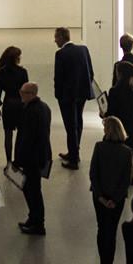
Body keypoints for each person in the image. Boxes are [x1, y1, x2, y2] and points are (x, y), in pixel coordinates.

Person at [89, 117, 133, 264]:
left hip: (98, 198)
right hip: (116, 200)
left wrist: (101, 197)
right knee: (112, 230)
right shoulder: (127, 152)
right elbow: (125, 181)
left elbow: (93, 175)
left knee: (102, 228)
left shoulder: (99, 147)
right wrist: (114, 200)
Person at [53, 26, 94, 170]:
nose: (55, 40)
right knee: (78, 122)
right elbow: (91, 72)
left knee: (70, 126)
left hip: (67, 97)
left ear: (62, 37)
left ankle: (74, 159)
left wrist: (58, 95)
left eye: (56, 37)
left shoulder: (60, 54)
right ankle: (74, 151)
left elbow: (58, 78)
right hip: (82, 93)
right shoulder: (83, 49)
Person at [14, 82, 52, 236]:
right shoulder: (44, 108)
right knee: (31, 189)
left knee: (33, 191)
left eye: (23, 92)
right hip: (40, 156)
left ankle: (38, 224)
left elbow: (27, 138)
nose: (21, 94)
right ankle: (33, 218)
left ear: (32, 94)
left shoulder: (31, 111)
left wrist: (18, 160)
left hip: (31, 158)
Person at [106, 61, 133, 162]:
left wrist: (103, 114)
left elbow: (111, 114)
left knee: (119, 161)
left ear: (120, 74)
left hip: (118, 132)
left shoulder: (114, 91)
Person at [0, 46, 29, 167]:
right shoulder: (23, 72)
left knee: (8, 135)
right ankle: (19, 160)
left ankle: (9, 161)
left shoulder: (1, 72)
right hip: (20, 104)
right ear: (16, 58)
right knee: (21, 134)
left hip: (8, 104)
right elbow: (26, 91)